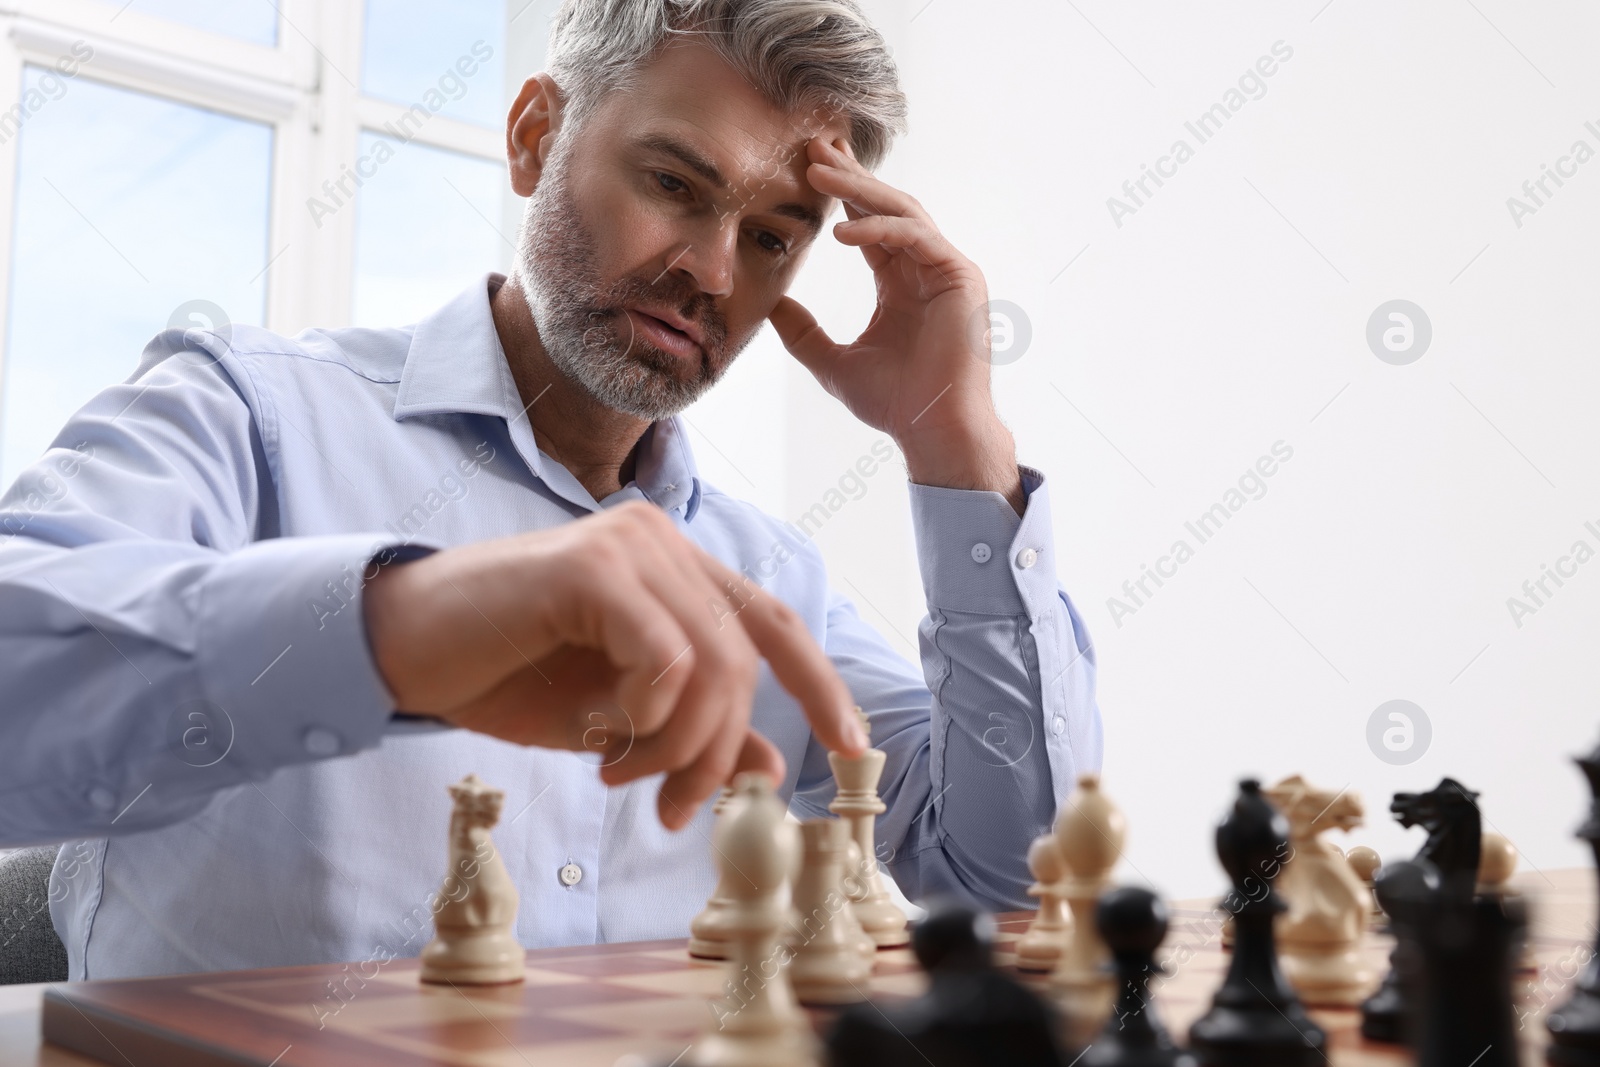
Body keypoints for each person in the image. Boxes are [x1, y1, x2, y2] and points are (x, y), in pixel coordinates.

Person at [0, 0, 1100, 981]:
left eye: (770, 237)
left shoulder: (768, 577)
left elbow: (1013, 876)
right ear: (535, 137)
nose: (713, 272)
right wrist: (403, 623)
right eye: (675, 184)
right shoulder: (249, 413)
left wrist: (959, 450)